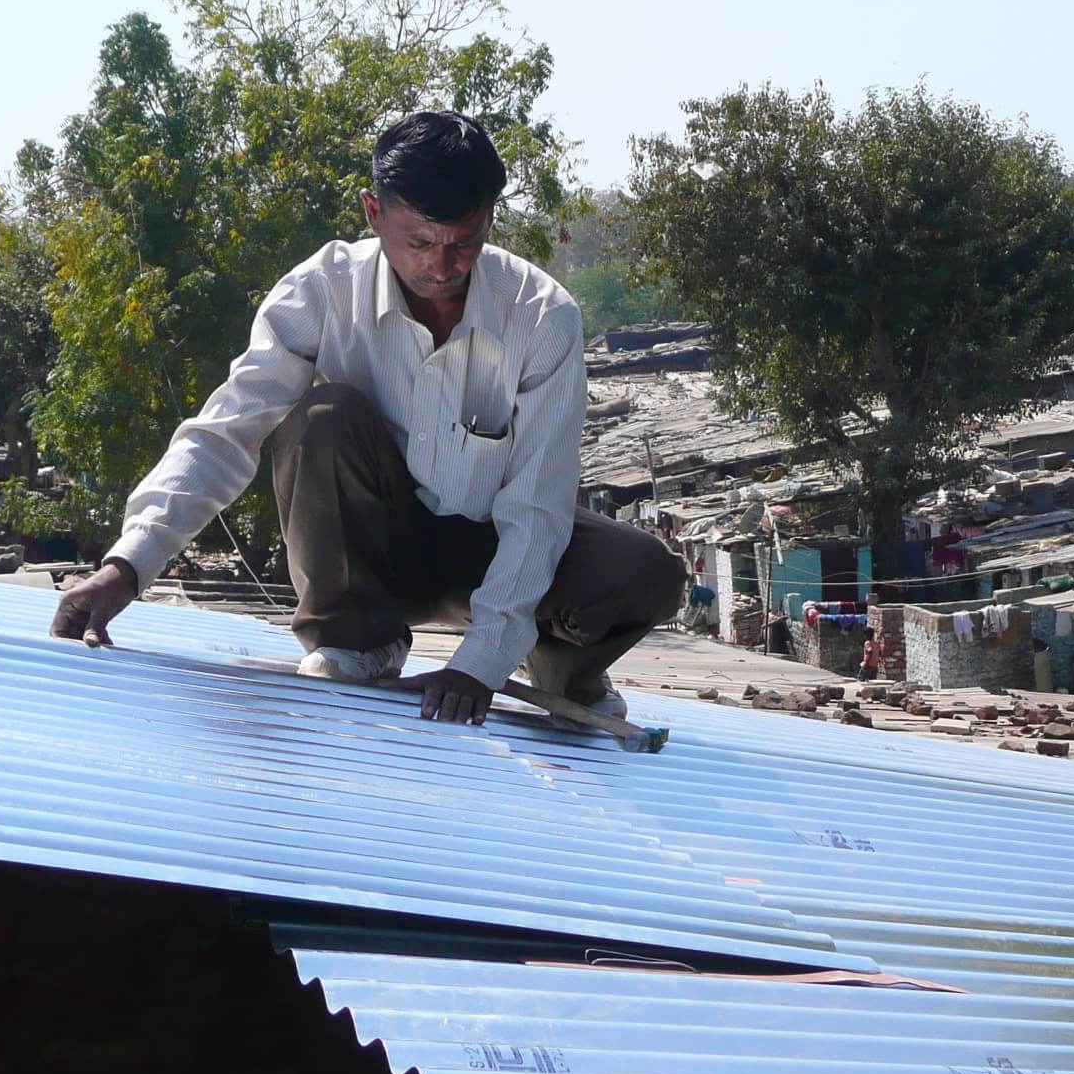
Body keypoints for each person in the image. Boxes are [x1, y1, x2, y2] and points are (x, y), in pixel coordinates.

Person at [50, 111, 685, 726]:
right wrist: (128, 564)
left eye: (464, 243)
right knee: (324, 416)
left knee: (645, 573)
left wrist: (480, 662)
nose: (441, 266)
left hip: (490, 545)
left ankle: (559, 665)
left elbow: (538, 505)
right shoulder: (321, 291)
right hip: (375, 551)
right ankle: (359, 639)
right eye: (420, 243)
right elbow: (227, 429)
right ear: (373, 213)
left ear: (489, 218)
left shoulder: (543, 316)